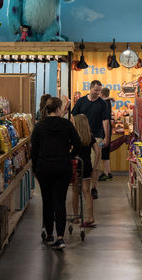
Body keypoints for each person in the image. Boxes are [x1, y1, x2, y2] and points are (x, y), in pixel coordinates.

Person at [30, 96, 80, 250]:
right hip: (62, 167)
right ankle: (60, 237)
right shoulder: (66, 125)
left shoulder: (39, 126)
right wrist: (70, 155)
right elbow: (77, 142)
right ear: (58, 109)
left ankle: (49, 235)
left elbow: (34, 149)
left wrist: (35, 166)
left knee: (47, 201)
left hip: (44, 167)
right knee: (60, 201)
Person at [70, 80, 110, 199]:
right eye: (96, 90)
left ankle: (93, 188)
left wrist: (107, 136)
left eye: (99, 91)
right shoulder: (81, 101)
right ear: (91, 88)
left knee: (95, 163)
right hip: (81, 136)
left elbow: (105, 120)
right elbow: (73, 116)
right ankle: (79, 186)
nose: (98, 92)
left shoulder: (102, 104)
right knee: (79, 162)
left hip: (97, 136)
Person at [69, 114, 99, 228]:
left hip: (76, 164)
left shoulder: (73, 137)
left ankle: (76, 217)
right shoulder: (89, 136)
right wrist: (95, 165)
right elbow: (97, 150)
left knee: (75, 191)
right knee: (87, 191)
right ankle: (90, 217)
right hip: (86, 165)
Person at [98, 87, 114, 181]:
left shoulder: (104, 103)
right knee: (106, 151)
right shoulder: (107, 102)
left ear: (102, 94)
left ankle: (105, 173)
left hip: (105, 129)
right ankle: (108, 171)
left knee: (104, 150)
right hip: (108, 128)